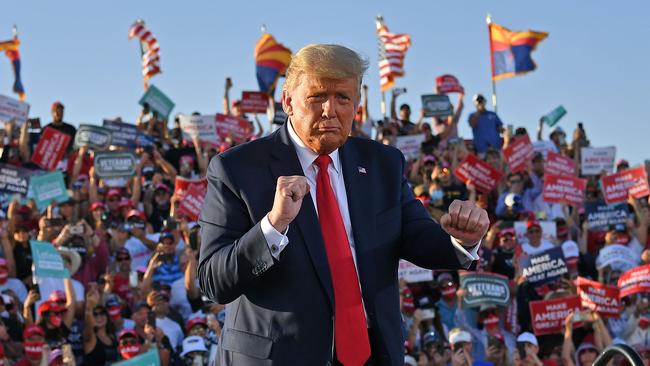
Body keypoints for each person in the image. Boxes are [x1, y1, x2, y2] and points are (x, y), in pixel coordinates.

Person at [198, 44, 489, 365]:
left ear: (357, 105)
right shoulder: (236, 168)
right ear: (288, 102)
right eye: (317, 97)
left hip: (372, 353)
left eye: (343, 98)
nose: (330, 110)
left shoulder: (383, 163)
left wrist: (463, 239)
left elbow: (419, 239)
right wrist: (273, 225)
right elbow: (213, 281)